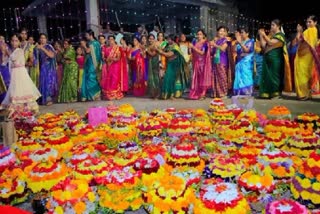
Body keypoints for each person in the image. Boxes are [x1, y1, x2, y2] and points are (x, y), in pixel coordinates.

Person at [1, 34, 41, 118]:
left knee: (21, 90)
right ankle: (19, 111)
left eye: (16, 41)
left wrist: (6, 51)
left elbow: (13, 58)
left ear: (19, 42)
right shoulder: (12, 51)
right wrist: (3, 53)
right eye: (12, 41)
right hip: (14, 74)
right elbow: (4, 62)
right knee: (15, 90)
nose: (14, 43)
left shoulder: (19, 50)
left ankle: (27, 110)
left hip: (20, 73)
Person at [259, 19, 288, 99]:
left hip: (276, 59)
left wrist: (264, 35)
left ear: (278, 26)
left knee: (274, 76)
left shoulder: (280, 35)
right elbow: (264, 46)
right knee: (267, 76)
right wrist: (261, 36)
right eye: (271, 25)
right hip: (268, 59)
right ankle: (267, 93)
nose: (271, 26)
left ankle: (276, 93)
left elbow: (271, 43)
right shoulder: (271, 36)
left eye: (273, 25)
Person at [295, 15, 320, 100]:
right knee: (308, 74)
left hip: (305, 57)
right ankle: (308, 93)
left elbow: (299, 40)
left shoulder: (309, 31)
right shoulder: (316, 31)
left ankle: (303, 94)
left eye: (310, 22)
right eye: (307, 22)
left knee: (302, 74)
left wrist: (299, 31)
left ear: (315, 22)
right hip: (311, 56)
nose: (308, 23)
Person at [158, 34, 188, 100]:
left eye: (169, 39)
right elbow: (162, 49)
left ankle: (172, 94)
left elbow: (169, 54)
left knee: (171, 78)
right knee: (167, 78)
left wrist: (161, 52)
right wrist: (160, 49)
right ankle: (167, 94)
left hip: (175, 65)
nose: (167, 40)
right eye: (167, 39)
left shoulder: (175, 47)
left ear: (172, 40)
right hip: (169, 64)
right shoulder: (168, 45)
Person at [34, 33, 58, 105]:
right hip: (42, 68)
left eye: (44, 38)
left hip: (49, 68)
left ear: (46, 39)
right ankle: (43, 99)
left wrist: (42, 48)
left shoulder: (49, 46)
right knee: (42, 83)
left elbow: (51, 55)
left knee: (48, 83)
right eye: (41, 38)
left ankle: (48, 99)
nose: (42, 39)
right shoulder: (37, 48)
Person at [188, 29, 212, 100]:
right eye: (198, 34)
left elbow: (202, 53)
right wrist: (190, 48)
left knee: (203, 78)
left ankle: (203, 93)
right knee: (197, 78)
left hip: (203, 63)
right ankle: (197, 92)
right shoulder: (195, 42)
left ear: (203, 35)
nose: (199, 36)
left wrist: (193, 47)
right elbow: (191, 52)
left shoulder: (205, 43)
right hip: (197, 62)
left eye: (200, 34)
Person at [80, 30, 102, 101]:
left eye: (87, 35)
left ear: (90, 35)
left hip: (93, 64)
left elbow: (88, 51)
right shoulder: (90, 43)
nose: (86, 36)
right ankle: (90, 96)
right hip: (88, 63)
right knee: (88, 78)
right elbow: (85, 53)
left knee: (91, 78)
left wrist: (84, 46)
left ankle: (95, 94)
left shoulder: (95, 43)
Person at [100, 35, 123, 100]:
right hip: (108, 66)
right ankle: (109, 94)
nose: (111, 41)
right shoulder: (106, 48)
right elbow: (104, 58)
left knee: (115, 79)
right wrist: (106, 59)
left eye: (112, 39)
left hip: (115, 65)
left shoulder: (117, 48)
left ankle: (115, 94)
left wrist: (112, 59)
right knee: (109, 79)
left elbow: (118, 58)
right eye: (109, 39)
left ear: (114, 40)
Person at [233, 27, 255, 95]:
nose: (241, 34)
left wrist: (240, 43)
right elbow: (235, 50)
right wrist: (236, 43)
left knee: (246, 76)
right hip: (239, 61)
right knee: (239, 76)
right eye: (241, 33)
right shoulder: (240, 42)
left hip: (246, 62)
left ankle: (247, 92)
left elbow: (247, 50)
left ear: (247, 33)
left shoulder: (251, 41)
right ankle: (240, 92)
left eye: (242, 33)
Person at [210, 26, 229, 98]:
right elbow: (212, 51)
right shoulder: (217, 41)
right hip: (215, 61)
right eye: (220, 31)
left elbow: (223, 49)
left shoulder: (225, 41)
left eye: (222, 31)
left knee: (222, 77)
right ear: (217, 32)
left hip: (222, 61)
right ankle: (217, 93)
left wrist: (214, 45)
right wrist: (211, 47)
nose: (221, 32)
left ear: (225, 33)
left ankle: (224, 93)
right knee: (215, 77)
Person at [146, 34, 160, 99]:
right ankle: (152, 94)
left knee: (155, 78)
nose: (151, 40)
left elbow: (153, 54)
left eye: (152, 38)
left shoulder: (155, 45)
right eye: (150, 38)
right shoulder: (149, 45)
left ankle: (157, 94)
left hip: (155, 62)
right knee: (151, 78)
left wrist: (147, 50)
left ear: (154, 39)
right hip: (150, 62)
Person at [0, 36, 10, 103]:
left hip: (5, 68)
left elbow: (11, 57)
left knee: (7, 85)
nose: (1, 40)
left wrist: (5, 51)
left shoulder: (7, 47)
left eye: (2, 39)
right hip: (0, 69)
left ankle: (6, 103)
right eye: (0, 39)